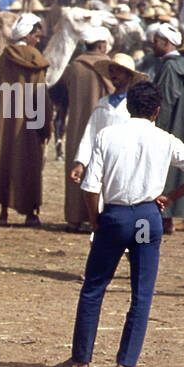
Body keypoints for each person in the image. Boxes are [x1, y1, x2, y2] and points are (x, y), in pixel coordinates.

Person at [56, 81, 184, 367]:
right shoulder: (165, 139)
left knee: (94, 287)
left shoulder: (108, 135)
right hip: (145, 218)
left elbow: (90, 188)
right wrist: (171, 197)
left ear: (128, 106)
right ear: (157, 110)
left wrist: (96, 219)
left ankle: (80, 360)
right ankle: (125, 363)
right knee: (141, 291)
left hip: (115, 217)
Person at [0, 12, 50, 227]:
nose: (39, 40)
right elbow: (40, 97)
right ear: (28, 35)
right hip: (31, 123)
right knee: (31, 164)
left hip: (6, 121)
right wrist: (45, 125)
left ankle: (3, 213)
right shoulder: (37, 60)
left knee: (5, 160)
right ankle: (31, 214)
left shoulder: (4, 58)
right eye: (37, 36)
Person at [60, 25, 117, 230]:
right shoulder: (110, 65)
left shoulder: (74, 66)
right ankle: (98, 217)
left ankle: (74, 218)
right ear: (102, 45)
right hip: (105, 123)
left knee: (77, 167)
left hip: (77, 125)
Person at [147, 22, 184, 232]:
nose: (152, 44)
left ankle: (166, 220)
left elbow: (164, 102)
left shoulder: (170, 67)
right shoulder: (182, 64)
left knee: (167, 171)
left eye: (156, 41)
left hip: (172, 123)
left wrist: (156, 128)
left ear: (166, 43)